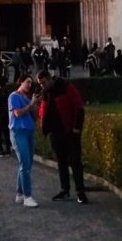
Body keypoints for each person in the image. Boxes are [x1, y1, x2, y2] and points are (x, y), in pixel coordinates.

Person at [37, 70, 87, 204]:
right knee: (61, 162)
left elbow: (79, 107)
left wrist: (77, 128)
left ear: (49, 79)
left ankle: (80, 192)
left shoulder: (65, 86)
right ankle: (65, 190)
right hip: (56, 132)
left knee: (75, 162)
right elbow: (44, 110)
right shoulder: (46, 93)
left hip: (70, 131)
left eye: (43, 83)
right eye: (40, 84)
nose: (42, 86)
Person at [8, 75, 41, 208]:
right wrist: (31, 104)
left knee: (26, 165)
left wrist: (36, 104)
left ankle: (20, 193)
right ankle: (27, 196)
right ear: (20, 82)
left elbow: (34, 115)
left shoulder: (28, 98)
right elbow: (18, 113)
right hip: (18, 132)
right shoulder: (13, 96)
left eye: (30, 83)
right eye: (27, 82)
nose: (29, 85)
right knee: (25, 164)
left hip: (29, 131)